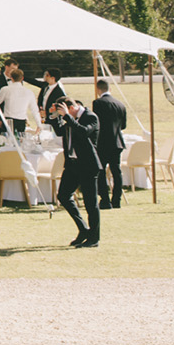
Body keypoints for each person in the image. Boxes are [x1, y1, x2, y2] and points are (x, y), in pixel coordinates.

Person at [49, 99, 103, 247]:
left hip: (88, 165)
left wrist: (67, 116)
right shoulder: (71, 119)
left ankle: (94, 238)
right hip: (73, 164)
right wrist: (53, 117)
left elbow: (84, 132)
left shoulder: (90, 117)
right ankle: (83, 229)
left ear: (71, 107)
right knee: (63, 196)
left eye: (65, 110)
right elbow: (61, 131)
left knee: (90, 202)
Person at [92, 80, 129, 208]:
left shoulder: (97, 103)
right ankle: (116, 199)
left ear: (98, 89)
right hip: (117, 141)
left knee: (101, 171)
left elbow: (96, 123)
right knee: (116, 171)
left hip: (102, 142)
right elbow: (123, 125)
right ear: (110, 89)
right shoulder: (120, 104)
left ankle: (105, 199)